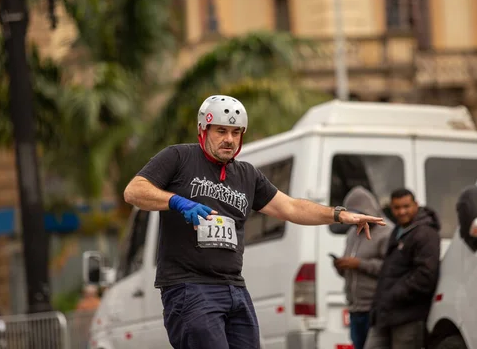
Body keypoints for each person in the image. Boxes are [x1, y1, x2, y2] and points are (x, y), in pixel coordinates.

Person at [123, 95, 386, 349]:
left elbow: (292, 207)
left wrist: (339, 214)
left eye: (236, 133)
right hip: (189, 287)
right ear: (203, 130)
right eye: (221, 131)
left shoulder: (247, 174)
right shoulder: (179, 158)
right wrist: (178, 202)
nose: (229, 139)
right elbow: (134, 190)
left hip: (234, 288)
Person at [364, 188, 441, 349]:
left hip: (408, 316)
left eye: (406, 206)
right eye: (397, 208)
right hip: (385, 314)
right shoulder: (399, 231)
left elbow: (425, 276)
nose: (401, 212)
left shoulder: (425, 233)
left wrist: (393, 295)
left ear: (416, 205)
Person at [333, 186, 393, 349]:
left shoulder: (386, 232)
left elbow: (390, 269)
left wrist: (359, 264)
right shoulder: (352, 234)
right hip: (354, 309)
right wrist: (341, 266)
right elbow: (350, 272)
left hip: (374, 309)